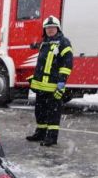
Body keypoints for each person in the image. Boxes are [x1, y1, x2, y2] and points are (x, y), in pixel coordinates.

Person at [26, 16, 73, 146]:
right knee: (40, 111)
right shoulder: (44, 43)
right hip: (41, 86)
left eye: (52, 28)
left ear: (57, 28)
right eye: (47, 28)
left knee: (53, 113)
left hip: (53, 86)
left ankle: (51, 137)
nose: (50, 30)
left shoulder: (64, 42)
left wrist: (61, 84)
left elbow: (67, 64)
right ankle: (40, 133)